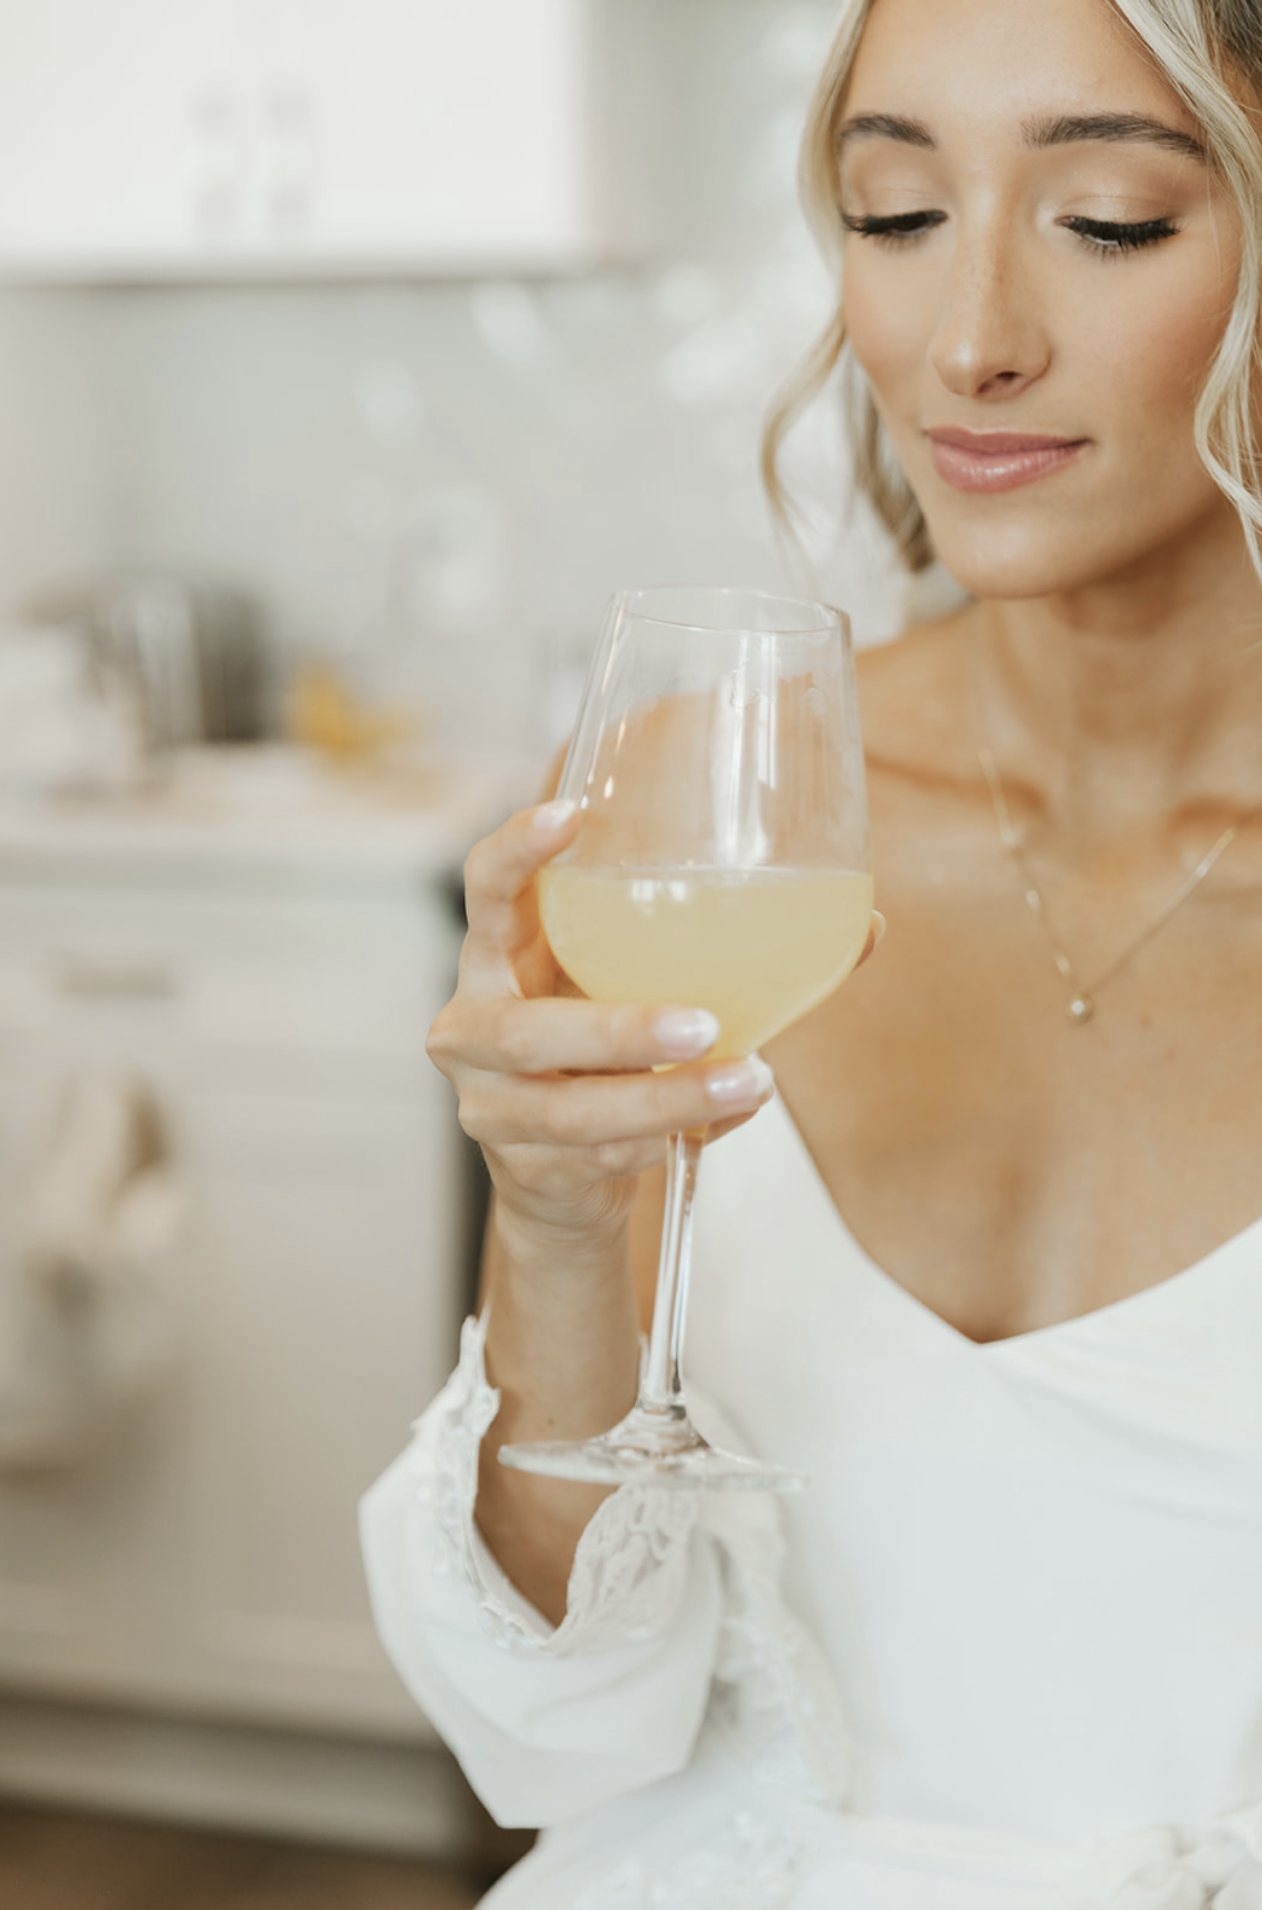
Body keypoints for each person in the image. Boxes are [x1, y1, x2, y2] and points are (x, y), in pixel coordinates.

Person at [360, 0, 1262, 1902]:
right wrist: (547, 1218)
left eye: (1106, 220)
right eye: (892, 209)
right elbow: (556, 1729)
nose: (969, 341)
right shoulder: (697, 819)